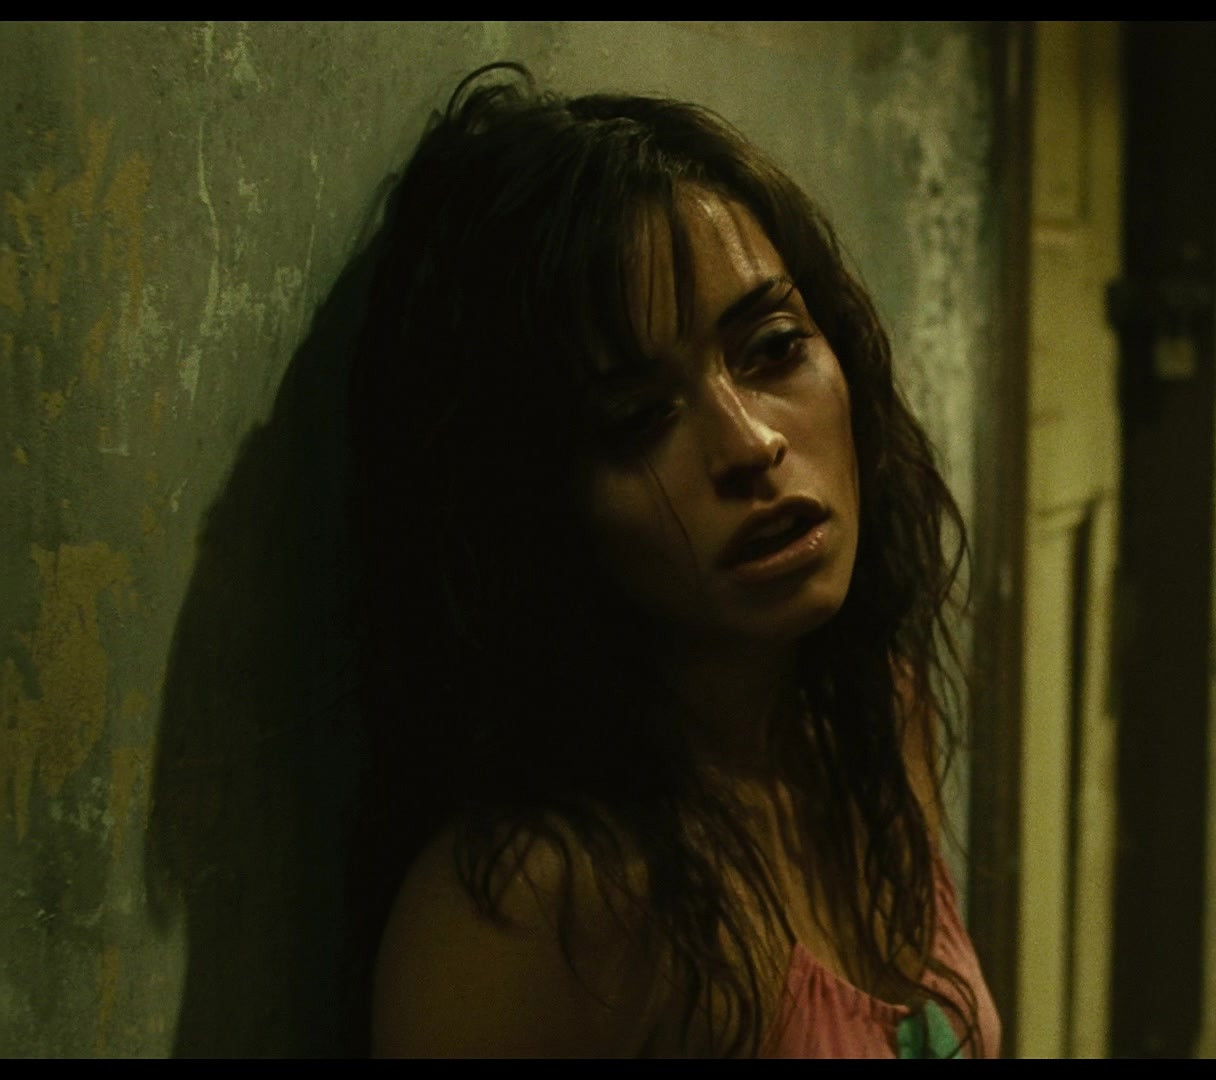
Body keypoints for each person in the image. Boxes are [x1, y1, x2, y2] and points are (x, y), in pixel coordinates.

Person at [345, 62, 999, 1058]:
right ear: (536, 506)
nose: (750, 444)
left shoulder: (878, 712)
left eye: (773, 349)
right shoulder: (541, 903)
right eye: (637, 418)